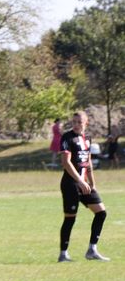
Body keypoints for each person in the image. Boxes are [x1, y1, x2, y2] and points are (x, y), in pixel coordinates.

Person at [58, 111, 110, 262]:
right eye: (73, 122)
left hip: (85, 184)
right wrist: (80, 182)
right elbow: (66, 163)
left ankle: (92, 250)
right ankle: (63, 254)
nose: (75, 125)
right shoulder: (67, 137)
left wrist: (92, 183)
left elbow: (87, 162)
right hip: (70, 184)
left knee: (101, 212)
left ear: (86, 123)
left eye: (79, 122)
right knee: (70, 218)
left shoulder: (87, 138)